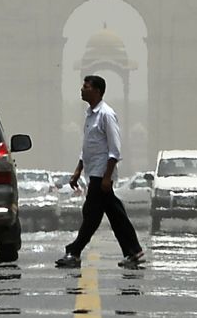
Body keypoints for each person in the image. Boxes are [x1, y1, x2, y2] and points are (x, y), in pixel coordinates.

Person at [55, 75, 145, 269]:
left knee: (92, 214)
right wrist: (78, 170)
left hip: (102, 173)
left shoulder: (107, 114)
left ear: (97, 91)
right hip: (93, 172)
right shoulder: (90, 115)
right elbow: (88, 147)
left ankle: (75, 251)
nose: (81, 89)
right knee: (112, 212)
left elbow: (115, 149)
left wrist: (107, 176)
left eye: (85, 86)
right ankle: (133, 250)